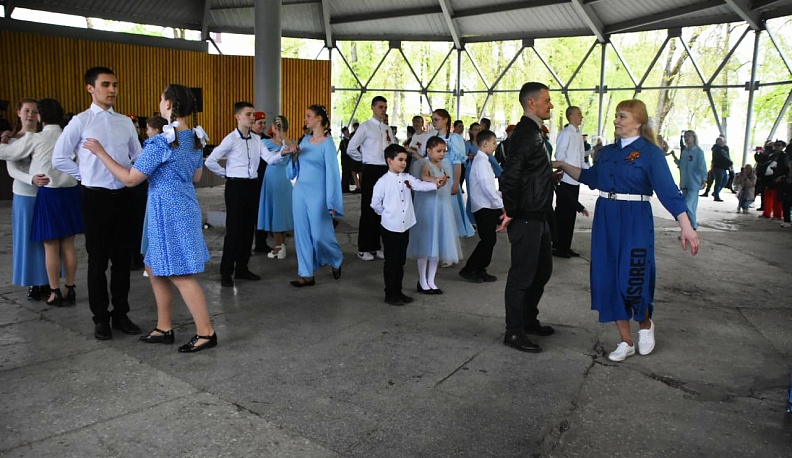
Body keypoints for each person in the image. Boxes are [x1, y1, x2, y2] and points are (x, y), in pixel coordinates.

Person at [553, 99, 699, 362]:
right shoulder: (607, 152)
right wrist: (563, 165)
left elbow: (668, 190)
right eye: (617, 116)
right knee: (607, 278)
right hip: (607, 217)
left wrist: (685, 224)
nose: (617, 121)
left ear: (638, 122)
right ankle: (625, 341)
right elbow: (591, 177)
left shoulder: (650, 153)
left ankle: (645, 324)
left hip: (635, 218)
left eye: (622, 116)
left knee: (634, 277)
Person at [84, 83, 217, 353]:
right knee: (155, 267)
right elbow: (196, 177)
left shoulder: (160, 142)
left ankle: (206, 332)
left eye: (160, 98)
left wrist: (100, 153)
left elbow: (131, 179)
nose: (159, 103)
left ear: (168, 104)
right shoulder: (194, 139)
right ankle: (164, 326)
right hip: (184, 205)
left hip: (167, 209)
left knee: (179, 273)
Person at [52, 66, 143, 341]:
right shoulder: (81, 121)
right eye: (105, 85)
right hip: (96, 198)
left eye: (115, 84)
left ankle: (121, 314)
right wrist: (86, 176)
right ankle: (100, 318)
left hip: (123, 197)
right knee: (98, 261)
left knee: (122, 260)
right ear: (90, 88)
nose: (112, 90)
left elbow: (137, 155)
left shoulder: (125, 122)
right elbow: (60, 157)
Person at [497, 82, 556, 354]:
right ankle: (514, 331)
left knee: (542, 270)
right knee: (522, 275)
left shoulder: (534, 133)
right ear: (531, 103)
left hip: (539, 214)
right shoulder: (524, 134)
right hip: (528, 216)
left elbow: (529, 171)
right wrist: (512, 211)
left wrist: (546, 178)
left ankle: (528, 320)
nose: (551, 105)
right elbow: (509, 177)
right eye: (546, 100)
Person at [371, 144, 446, 305]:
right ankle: (390, 293)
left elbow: (420, 185)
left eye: (405, 160)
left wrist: (436, 184)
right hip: (390, 226)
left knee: (400, 261)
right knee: (391, 262)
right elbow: (375, 203)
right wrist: (386, 213)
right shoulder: (382, 182)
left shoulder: (407, 178)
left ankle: (398, 291)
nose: (404, 163)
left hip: (405, 226)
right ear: (390, 161)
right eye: (400, 160)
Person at [205, 101, 266, 287]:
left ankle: (242, 268)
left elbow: (269, 158)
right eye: (248, 114)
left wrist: (283, 153)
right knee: (234, 230)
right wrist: (227, 174)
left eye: (253, 114)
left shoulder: (257, 139)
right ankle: (226, 272)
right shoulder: (230, 139)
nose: (252, 117)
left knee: (248, 229)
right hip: (236, 187)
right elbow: (211, 160)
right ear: (238, 117)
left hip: (252, 186)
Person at [287, 105, 343, 287]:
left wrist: (332, 201)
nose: (305, 119)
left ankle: (335, 258)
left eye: (308, 116)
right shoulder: (304, 140)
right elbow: (293, 170)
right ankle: (306, 274)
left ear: (319, 119)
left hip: (319, 194)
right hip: (300, 192)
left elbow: (333, 174)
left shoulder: (327, 143)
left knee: (320, 234)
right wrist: (293, 156)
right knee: (302, 234)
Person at [0, 98, 49, 301]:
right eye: (26, 110)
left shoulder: (44, 138)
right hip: (24, 194)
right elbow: (12, 170)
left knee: (47, 240)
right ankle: (33, 281)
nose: (30, 115)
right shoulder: (11, 140)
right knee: (27, 241)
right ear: (19, 113)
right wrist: (31, 179)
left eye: (34, 111)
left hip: (45, 194)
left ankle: (48, 280)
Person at [407, 137, 462, 294]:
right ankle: (422, 281)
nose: (442, 154)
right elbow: (425, 176)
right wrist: (435, 180)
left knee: (437, 243)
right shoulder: (424, 164)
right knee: (426, 244)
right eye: (438, 151)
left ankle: (431, 280)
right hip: (427, 208)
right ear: (429, 151)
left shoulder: (445, 166)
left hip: (441, 208)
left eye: (444, 151)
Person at [346, 96, 395, 261]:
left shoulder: (387, 129)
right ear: (373, 108)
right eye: (381, 107)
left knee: (383, 209)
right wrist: (364, 159)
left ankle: (376, 246)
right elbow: (351, 148)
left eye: (385, 107)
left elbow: (392, 148)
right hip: (371, 169)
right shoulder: (365, 128)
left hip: (385, 169)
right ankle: (364, 247)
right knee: (368, 208)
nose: (383, 110)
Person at [459, 130, 503, 284]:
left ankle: (480, 269)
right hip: (484, 206)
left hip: (487, 204)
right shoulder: (481, 161)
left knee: (489, 240)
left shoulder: (483, 160)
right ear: (485, 143)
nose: (495, 146)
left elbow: (489, 186)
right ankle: (470, 269)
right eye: (493, 143)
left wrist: (499, 196)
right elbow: (485, 186)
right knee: (488, 240)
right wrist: (499, 203)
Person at [430, 109, 475, 239]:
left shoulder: (454, 138)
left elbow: (457, 163)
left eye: (436, 119)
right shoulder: (433, 138)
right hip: (435, 179)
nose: (434, 122)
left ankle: (451, 247)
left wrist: (456, 183)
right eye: (433, 119)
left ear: (445, 120)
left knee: (451, 214)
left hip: (449, 180)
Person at [258, 115, 295, 259]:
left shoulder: (266, 143)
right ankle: (281, 246)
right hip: (285, 179)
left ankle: (279, 247)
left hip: (272, 178)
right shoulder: (292, 143)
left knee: (274, 212)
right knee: (282, 211)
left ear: (274, 127)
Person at [553, 106, 587, 258]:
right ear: (571, 116)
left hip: (576, 179)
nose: (581, 117)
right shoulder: (566, 133)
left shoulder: (578, 133)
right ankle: (559, 246)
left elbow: (580, 157)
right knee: (563, 215)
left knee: (570, 215)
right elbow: (560, 153)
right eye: (579, 114)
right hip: (566, 178)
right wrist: (561, 169)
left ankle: (566, 246)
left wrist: (585, 171)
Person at [671, 130, 707, 230]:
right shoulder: (685, 152)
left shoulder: (699, 152)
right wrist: (674, 158)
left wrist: (704, 179)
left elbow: (702, 166)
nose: (686, 138)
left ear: (694, 138)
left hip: (694, 183)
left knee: (688, 204)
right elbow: (681, 165)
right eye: (685, 137)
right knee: (688, 206)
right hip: (684, 183)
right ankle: (688, 227)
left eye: (689, 136)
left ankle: (693, 225)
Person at [251, 110, 272, 254]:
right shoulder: (247, 139)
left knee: (262, 212)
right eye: (260, 123)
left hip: (265, 180)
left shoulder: (267, 140)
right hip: (251, 181)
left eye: (264, 123)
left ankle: (261, 242)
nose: (263, 126)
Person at [710, 136, 732, 201]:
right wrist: (730, 162)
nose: (723, 143)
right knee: (718, 182)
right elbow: (723, 158)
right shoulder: (717, 150)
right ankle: (716, 196)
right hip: (718, 168)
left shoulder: (723, 149)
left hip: (723, 168)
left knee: (725, 180)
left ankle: (715, 192)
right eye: (722, 142)